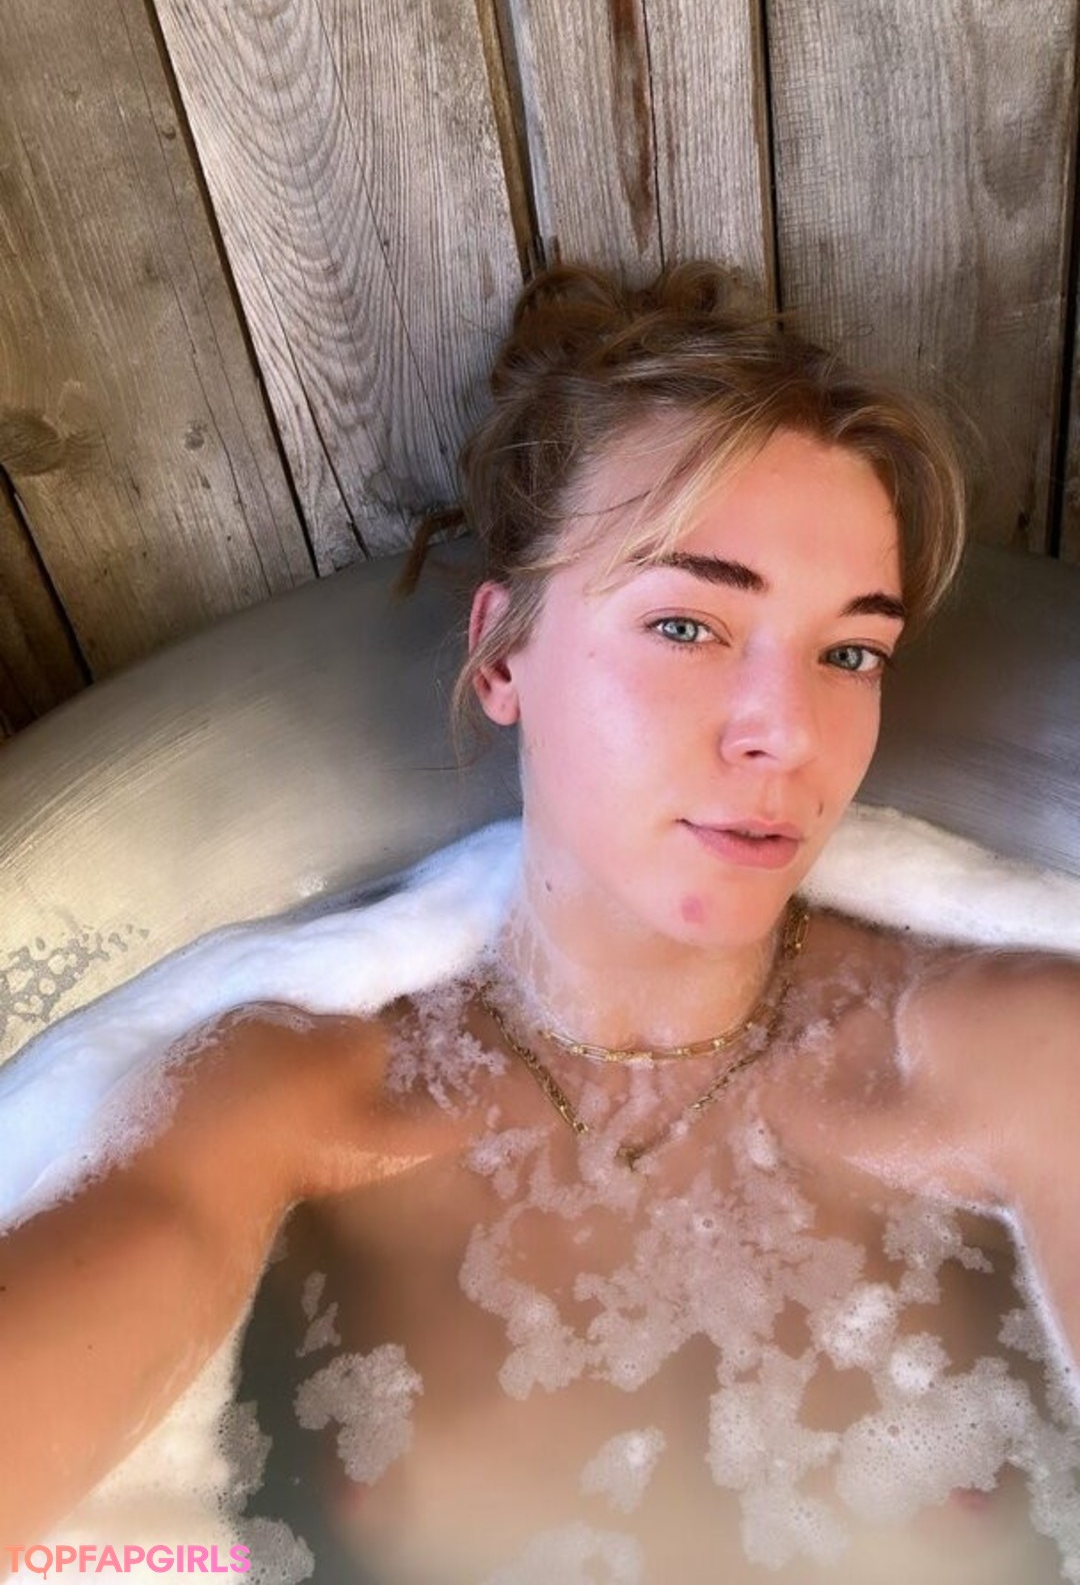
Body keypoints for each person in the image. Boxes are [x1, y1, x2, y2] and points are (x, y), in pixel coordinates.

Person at [2, 262, 1079, 1580]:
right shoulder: (292, 1104)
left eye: (850, 651)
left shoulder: (1013, 1057)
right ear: (504, 655)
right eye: (688, 623)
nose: (788, 734)